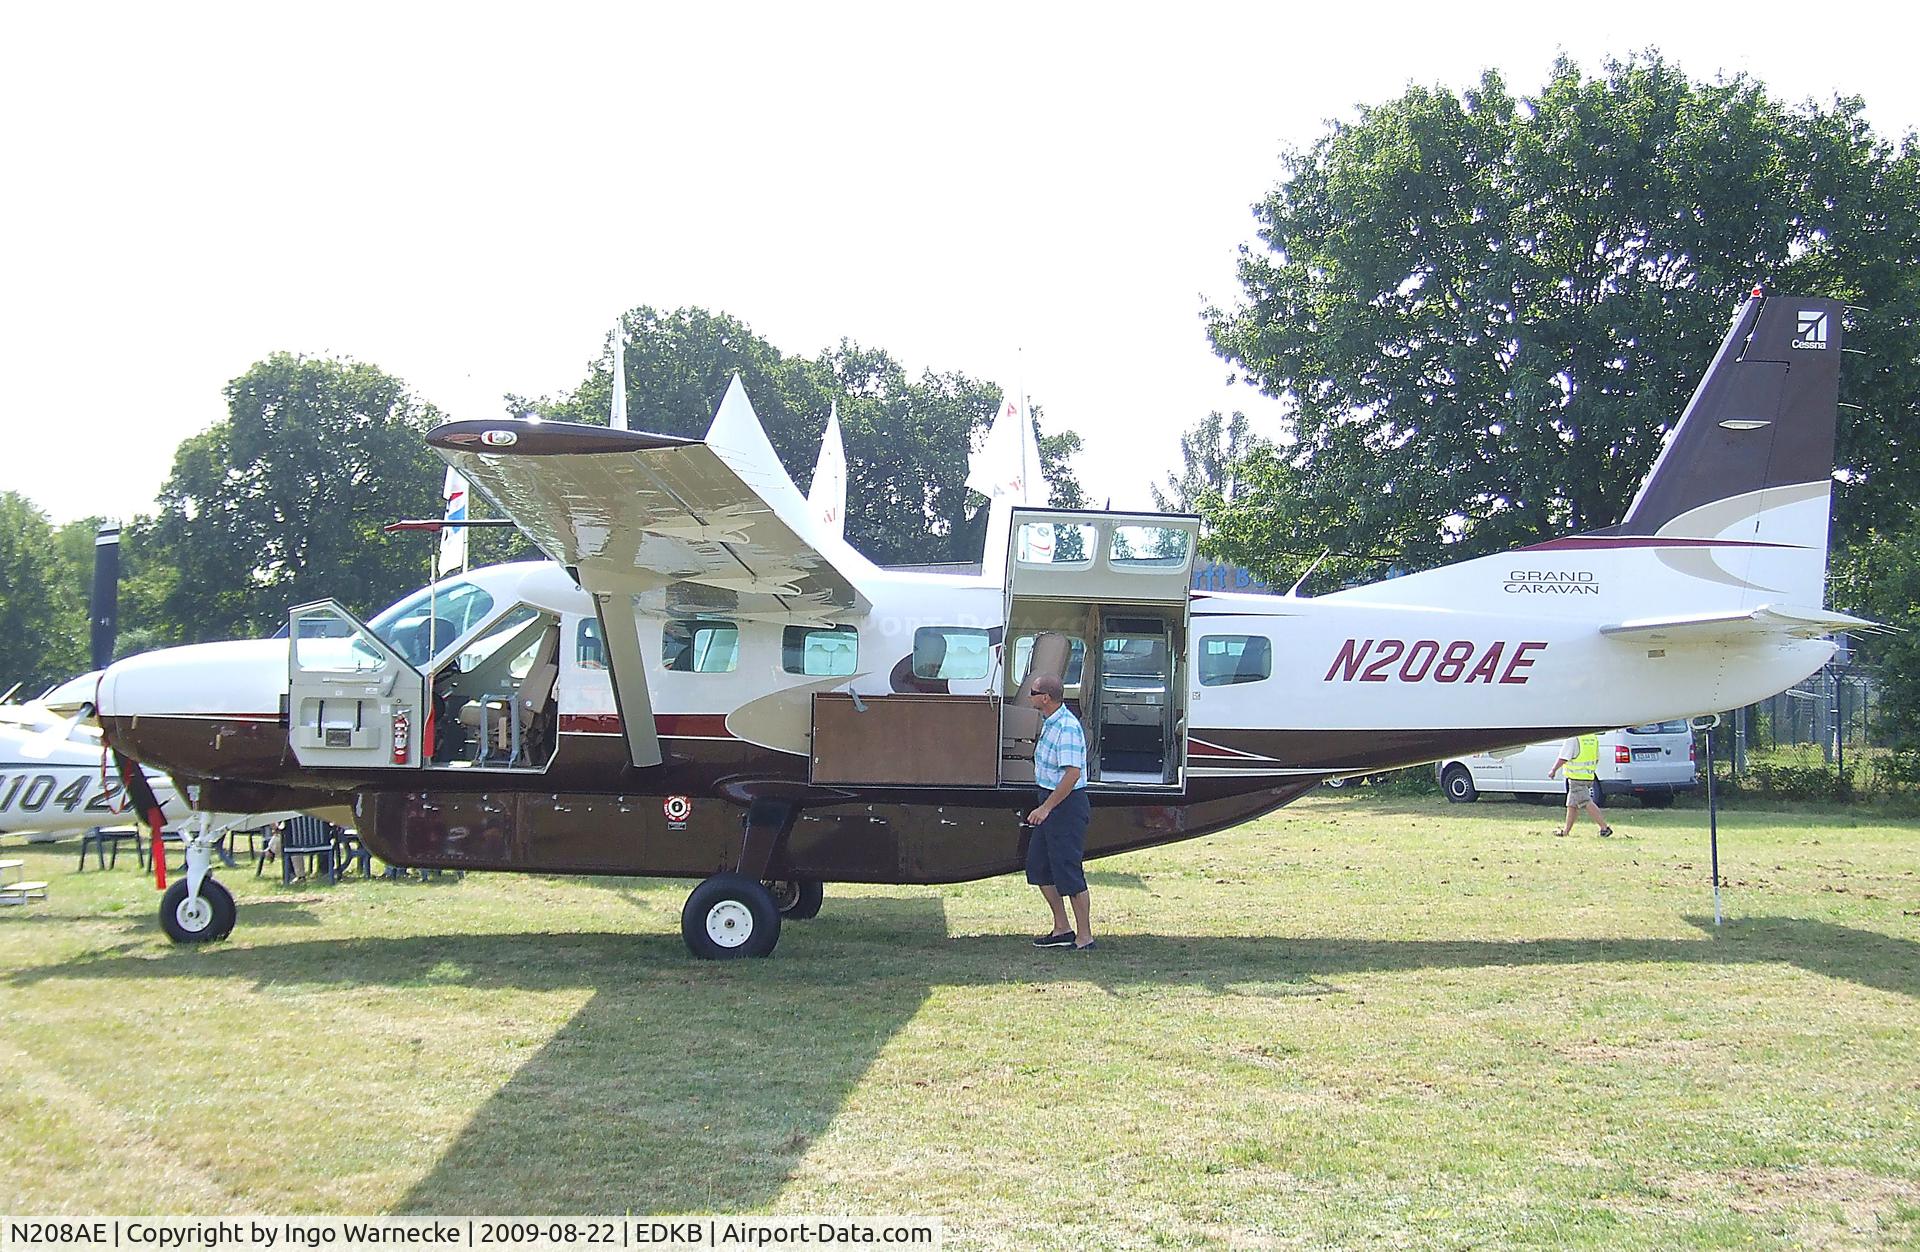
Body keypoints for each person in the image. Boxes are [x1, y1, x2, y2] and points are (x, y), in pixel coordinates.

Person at [1024, 673, 1095, 950]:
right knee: (1039, 867)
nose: (1028, 695)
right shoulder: (1049, 722)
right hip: (1051, 799)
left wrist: (1046, 808)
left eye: (1033, 691)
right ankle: (1062, 927)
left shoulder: (1066, 727)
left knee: (1068, 870)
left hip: (1065, 805)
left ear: (1045, 698)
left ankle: (1085, 936)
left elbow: (1072, 774)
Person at [1548, 731, 1614, 837]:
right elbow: (1596, 758)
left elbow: (1564, 757)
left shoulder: (1573, 738)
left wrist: (1553, 770)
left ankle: (1604, 828)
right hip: (1588, 776)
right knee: (1572, 805)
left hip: (1576, 777)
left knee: (1585, 801)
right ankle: (1566, 831)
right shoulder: (1592, 737)